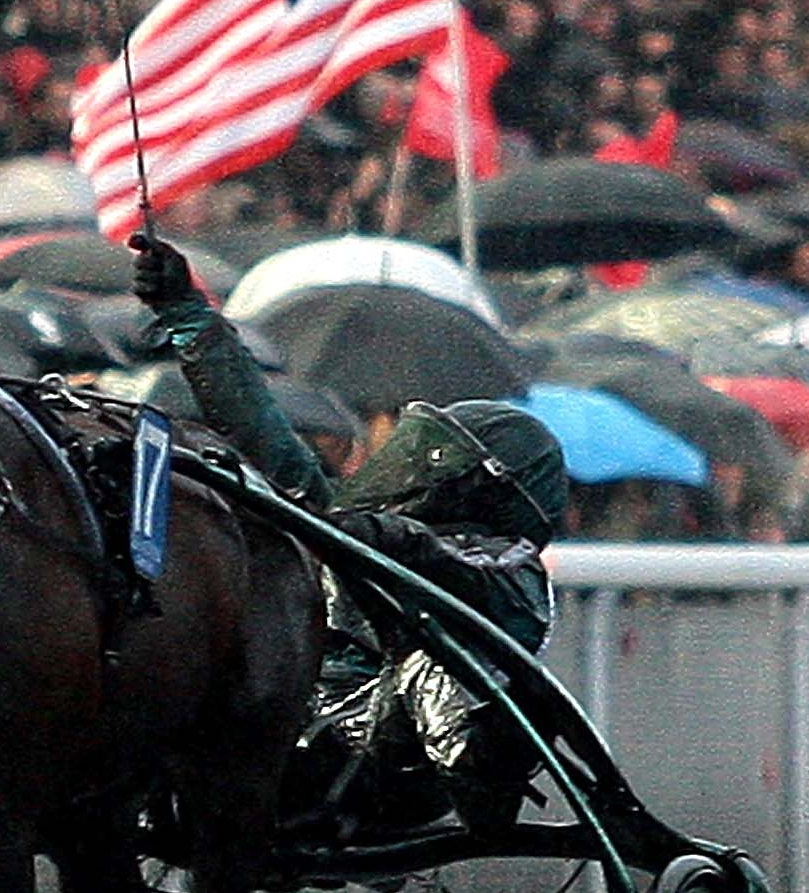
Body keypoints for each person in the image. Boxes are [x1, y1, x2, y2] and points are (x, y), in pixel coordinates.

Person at [133, 233, 565, 836]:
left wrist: (369, 534)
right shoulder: (351, 522)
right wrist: (186, 313)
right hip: (291, 732)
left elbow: (437, 560)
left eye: (436, 459)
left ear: (484, 487)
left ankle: (482, 778)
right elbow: (263, 429)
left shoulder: (510, 570)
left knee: (434, 656)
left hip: (391, 774)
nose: (414, 465)